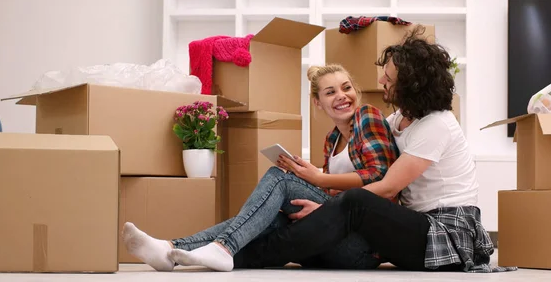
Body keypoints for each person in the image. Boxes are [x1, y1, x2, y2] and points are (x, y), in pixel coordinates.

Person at [228, 26, 518, 273]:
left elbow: (387, 186)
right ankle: (211, 246)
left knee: (355, 201)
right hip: (417, 226)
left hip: (447, 234)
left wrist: (329, 206)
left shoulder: (437, 125)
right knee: (296, 210)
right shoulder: (401, 118)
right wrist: (309, 175)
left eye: (388, 78)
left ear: (411, 84)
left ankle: (242, 256)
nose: (380, 82)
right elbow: (366, 137)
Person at [121, 64, 399, 272]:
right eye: (330, 92)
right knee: (271, 220)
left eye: (346, 88)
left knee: (281, 177)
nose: (342, 96)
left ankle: (221, 247)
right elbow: (333, 191)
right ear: (318, 102)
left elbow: (380, 178)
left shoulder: (368, 116)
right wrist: (317, 185)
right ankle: (171, 251)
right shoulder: (332, 139)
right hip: (335, 244)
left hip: (365, 247)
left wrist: (317, 178)